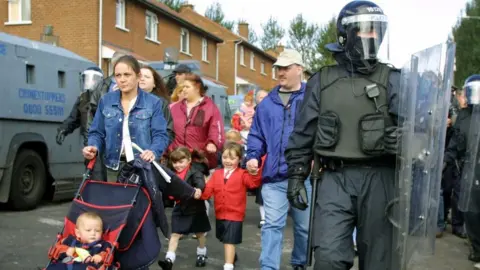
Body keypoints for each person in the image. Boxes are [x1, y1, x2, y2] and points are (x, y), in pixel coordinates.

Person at [284, 1, 401, 269]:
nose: (371, 36)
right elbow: (303, 133)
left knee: (380, 262)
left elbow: (421, 132)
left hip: (381, 179)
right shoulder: (323, 81)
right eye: (363, 30)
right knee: (328, 258)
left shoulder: (394, 79)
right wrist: (295, 175)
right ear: (345, 35)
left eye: (375, 31)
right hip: (335, 178)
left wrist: (407, 140)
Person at [245, 49, 309, 270]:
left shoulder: (313, 99)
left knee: (304, 228)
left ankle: (300, 263)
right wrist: (252, 156)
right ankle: (269, 268)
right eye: (278, 68)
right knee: (272, 225)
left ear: (299, 69)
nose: (280, 72)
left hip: (305, 177)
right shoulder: (266, 103)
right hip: (273, 176)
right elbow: (256, 135)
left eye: (286, 67)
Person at [83, 55, 170, 182]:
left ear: (138, 76)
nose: (122, 79)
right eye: (118, 75)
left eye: (127, 75)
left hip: (142, 167)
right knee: (115, 201)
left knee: (139, 202)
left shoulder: (153, 102)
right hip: (113, 166)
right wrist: (93, 146)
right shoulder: (106, 100)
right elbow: (97, 132)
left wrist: (153, 151)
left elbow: (161, 135)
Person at [199, 142, 261, 270]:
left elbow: (252, 184)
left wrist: (254, 173)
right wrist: (199, 194)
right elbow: (208, 190)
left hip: (235, 214)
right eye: (225, 157)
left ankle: (228, 265)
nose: (228, 161)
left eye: (232, 158)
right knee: (222, 238)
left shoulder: (243, 174)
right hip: (220, 213)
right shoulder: (216, 174)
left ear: (240, 159)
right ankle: (232, 256)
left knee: (229, 241)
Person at [444, 75, 480, 263]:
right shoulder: (464, 117)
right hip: (468, 168)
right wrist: (445, 161)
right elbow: (456, 142)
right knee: (470, 209)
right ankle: (477, 246)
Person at [158, 147, 211, 270]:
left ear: (189, 160)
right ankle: (169, 260)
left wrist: (198, 189)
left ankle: (201, 253)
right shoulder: (171, 173)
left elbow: (200, 182)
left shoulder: (195, 172)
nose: (177, 165)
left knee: (199, 233)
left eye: (181, 162)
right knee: (175, 234)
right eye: (175, 162)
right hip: (180, 207)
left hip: (195, 208)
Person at [56, 66, 106, 180]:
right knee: (90, 176)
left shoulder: (106, 98)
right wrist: (63, 130)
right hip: (88, 144)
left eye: (93, 79)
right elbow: (73, 118)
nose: (89, 82)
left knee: (100, 176)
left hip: (104, 146)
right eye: (86, 78)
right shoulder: (82, 99)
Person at [168, 73, 224, 169]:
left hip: (199, 160)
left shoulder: (210, 108)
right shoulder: (174, 108)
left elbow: (216, 129)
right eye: (183, 87)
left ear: (197, 88)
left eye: (187, 87)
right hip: (176, 160)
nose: (183, 89)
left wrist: (213, 143)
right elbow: (166, 130)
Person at [47, 212, 111, 269]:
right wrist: (67, 250)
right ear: (78, 233)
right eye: (88, 230)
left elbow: (108, 253)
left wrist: (101, 257)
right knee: (53, 267)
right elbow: (57, 249)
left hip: (86, 266)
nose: (93, 233)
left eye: (97, 231)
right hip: (66, 265)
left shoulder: (103, 244)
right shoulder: (70, 240)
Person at [139, 65, 175, 144]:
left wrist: (155, 149)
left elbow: (168, 131)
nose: (142, 79)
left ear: (154, 84)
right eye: (139, 76)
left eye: (147, 77)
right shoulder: (121, 99)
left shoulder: (160, 103)